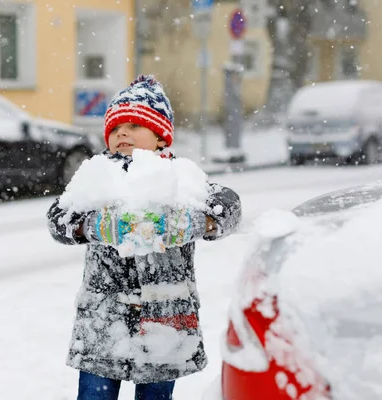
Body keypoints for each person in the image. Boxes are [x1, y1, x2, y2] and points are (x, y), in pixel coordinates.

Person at [47, 75, 242, 400]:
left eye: (134, 125)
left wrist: (191, 222)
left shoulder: (182, 177)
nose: (122, 132)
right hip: (102, 322)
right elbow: (59, 218)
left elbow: (228, 208)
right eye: (115, 127)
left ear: (161, 137)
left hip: (165, 322)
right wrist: (94, 225)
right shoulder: (97, 176)